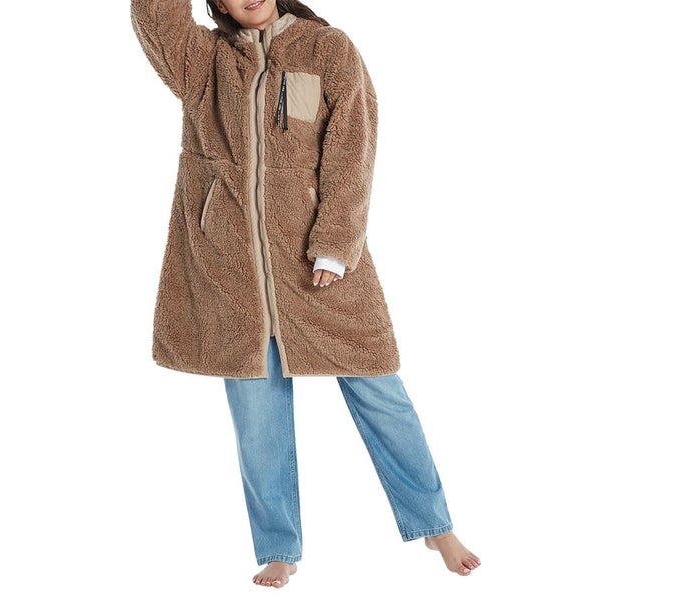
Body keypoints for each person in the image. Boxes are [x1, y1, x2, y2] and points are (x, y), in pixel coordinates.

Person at [130, 0, 481, 588]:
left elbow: (352, 148)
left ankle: (435, 525)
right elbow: (155, 18)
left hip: (321, 267)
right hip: (234, 275)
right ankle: (279, 547)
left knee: (381, 393)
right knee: (257, 417)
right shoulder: (202, 61)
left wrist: (335, 244)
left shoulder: (327, 49)